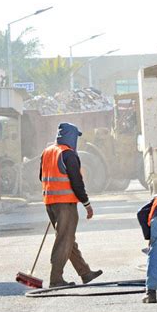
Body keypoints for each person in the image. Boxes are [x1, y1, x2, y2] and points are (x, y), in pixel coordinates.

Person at [40, 123, 102, 288]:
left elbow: (42, 177)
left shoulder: (47, 152)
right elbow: (77, 183)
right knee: (64, 240)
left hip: (50, 203)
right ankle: (56, 279)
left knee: (67, 239)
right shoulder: (68, 154)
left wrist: (53, 198)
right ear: (71, 137)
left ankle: (85, 272)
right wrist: (87, 204)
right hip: (65, 205)